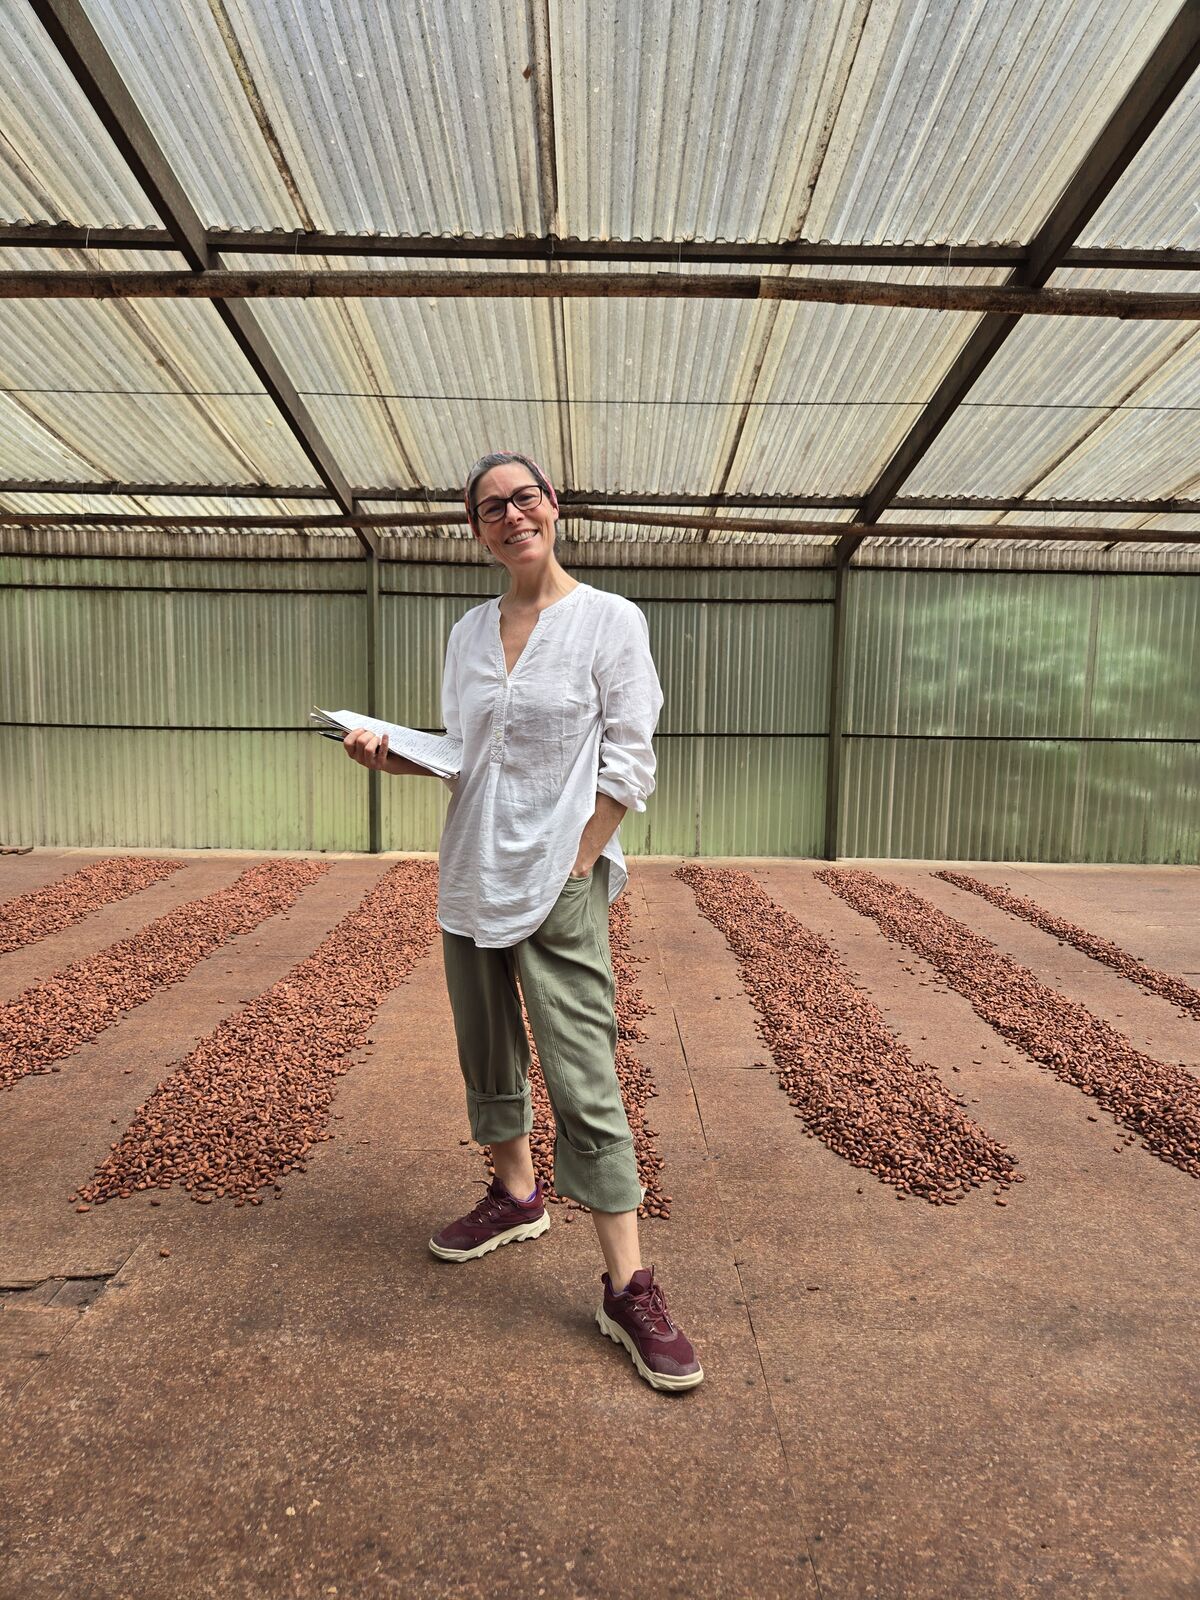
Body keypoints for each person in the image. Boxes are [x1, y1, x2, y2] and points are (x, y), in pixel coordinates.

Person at [342, 450, 702, 1392]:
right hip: (469, 870)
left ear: (555, 509)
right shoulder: (467, 631)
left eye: (525, 499)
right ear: (477, 529)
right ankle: (514, 1194)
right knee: (487, 1045)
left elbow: (631, 758)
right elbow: (465, 752)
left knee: (585, 1071)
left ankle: (628, 1284)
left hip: (559, 878)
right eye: (491, 507)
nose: (512, 516)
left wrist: (582, 856)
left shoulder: (609, 622)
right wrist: (392, 757)